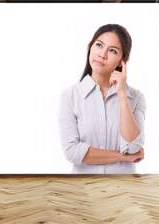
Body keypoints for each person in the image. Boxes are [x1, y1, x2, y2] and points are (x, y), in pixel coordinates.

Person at [58, 24, 146, 174]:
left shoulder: (136, 97)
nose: (102, 54)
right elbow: (72, 152)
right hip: (84, 189)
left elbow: (133, 148)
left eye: (112, 50)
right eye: (99, 45)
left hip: (123, 189)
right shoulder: (70, 96)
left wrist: (123, 96)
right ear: (90, 48)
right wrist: (123, 157)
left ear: (121, 61)